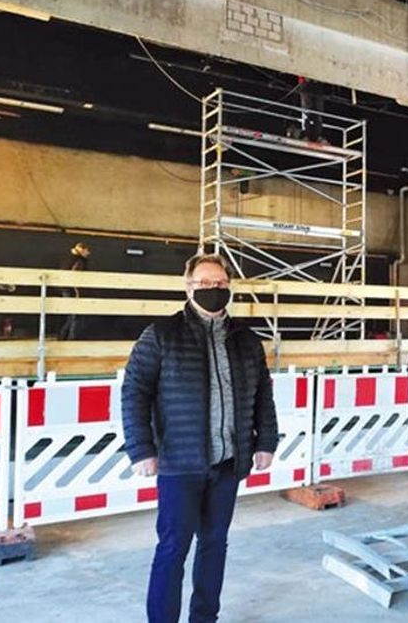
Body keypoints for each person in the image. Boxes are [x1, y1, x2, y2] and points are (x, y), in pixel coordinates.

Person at [122, 253, 279, 623]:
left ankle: (205, 617)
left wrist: (266, 440)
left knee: (214, 544)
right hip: (180, 463)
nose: (213, 290)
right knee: (174, 548)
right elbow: (134, 392)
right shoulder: (161, 335)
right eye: (205, 283)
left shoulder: (246, 341)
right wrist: (141, 449)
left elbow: (263, 395)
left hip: (227, 463)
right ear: (188, 286)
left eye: (220, 284)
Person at [59, 242, 90, 340]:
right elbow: (75, 275)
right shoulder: (79, 260)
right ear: (81, 249)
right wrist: (77, 291)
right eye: (86, 251)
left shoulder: (67, 259)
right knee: (74, 315)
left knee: (70, 315)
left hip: (64, 289)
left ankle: (63, 336)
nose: (87, 253)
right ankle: (70, 338)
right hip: (71, 290)